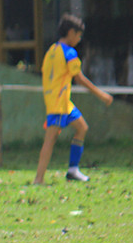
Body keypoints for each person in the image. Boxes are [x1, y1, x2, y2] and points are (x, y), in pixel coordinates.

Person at [34, 13, 113, 184]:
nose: (79, 39)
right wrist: (101, 95)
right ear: (71, 32)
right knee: (50, 140)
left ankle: (73, 170)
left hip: (61, 102)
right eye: (78, 35)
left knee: (82, 128)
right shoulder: (69, 52)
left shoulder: (51, 50)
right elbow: (79, 78)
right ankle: (38, 179)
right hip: (59, 104)